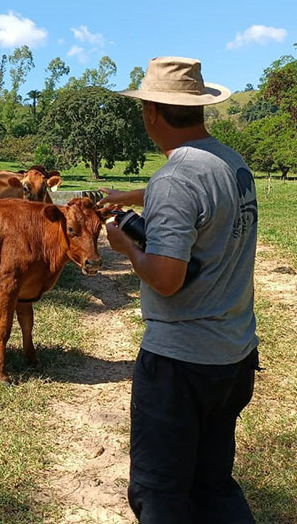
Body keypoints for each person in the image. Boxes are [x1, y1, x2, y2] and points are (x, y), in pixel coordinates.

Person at [102, 57, 260, 523]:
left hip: (180, 364)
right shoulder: (231, 163)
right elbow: (198, 200)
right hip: (233, 354)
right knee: (212, 485)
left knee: (160, 494)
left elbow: (167, 280)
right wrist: (131, 198)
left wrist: (124, 246)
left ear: (151, 111)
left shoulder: (174, 177)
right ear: (199, 108)